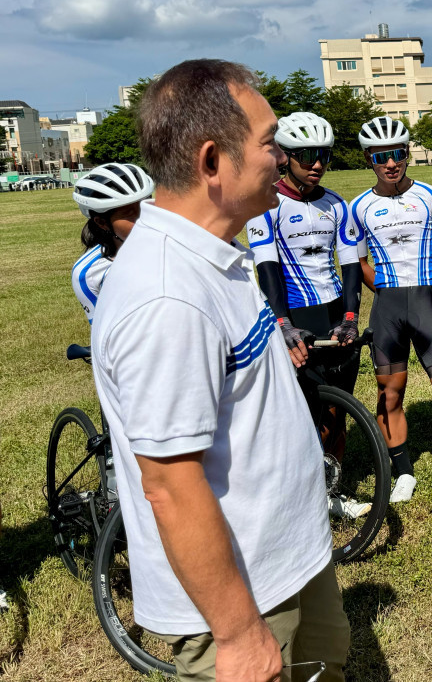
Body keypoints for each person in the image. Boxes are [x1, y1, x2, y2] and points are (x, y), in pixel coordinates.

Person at [90, 59, 349, 682]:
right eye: (269, 143)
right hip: (243, 600)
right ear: (213, 162)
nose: (281, 157)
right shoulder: (166, 297)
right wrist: (235, 634)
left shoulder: (214, 255)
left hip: (289, 562)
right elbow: (170, 485)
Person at [349, 117, 432, 503]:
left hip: (426, 305)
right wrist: (389, 291)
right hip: (386, 309)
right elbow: (359, 265)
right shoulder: (358, 208)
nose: (390, 164)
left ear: (407, 154)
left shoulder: (431, 195)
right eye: (380, 157)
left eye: (397, 155)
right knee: (389, 396)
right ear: (368, 159)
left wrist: (425, 290)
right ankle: (403, 472)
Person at [246, 111, 367, 519]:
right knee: (301, 413)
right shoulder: (268, 205)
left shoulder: (337, 204)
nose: (317, 164)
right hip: (295, 314)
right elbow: (268, 271)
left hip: (334, 312)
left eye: (325, 156)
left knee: (339, 409)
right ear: (285, 156)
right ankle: (300, 499)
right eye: (307, 155)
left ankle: (333, 490)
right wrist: (282, 324)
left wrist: (351, 315)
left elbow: (350, 266)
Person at [70, 163, 155, 323]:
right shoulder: (87, 273)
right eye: (130, 214)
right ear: (102, 222)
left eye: (146, 205)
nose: (144, 218)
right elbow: (102, 330)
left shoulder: (176, 242)